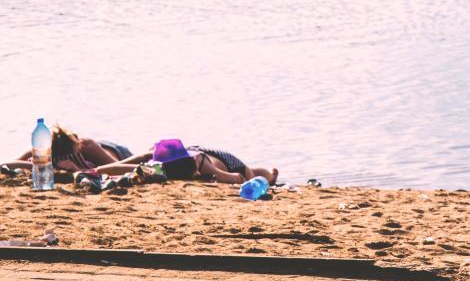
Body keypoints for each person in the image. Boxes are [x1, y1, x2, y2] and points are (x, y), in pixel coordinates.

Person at [92, 139, 278, 185]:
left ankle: (270, 174)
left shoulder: (201, 164)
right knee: (147, 152)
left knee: (252, 173)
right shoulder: (159, 166)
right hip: (178, 154)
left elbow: (237, 177)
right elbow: (103, 169)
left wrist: (212, 176)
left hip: (223, 160)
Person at [3, 124, 133, 173]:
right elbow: (6, 165)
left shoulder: (85, 146)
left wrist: (79, 170)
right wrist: (38, 166)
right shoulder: (40, 153)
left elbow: (118, 167)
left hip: (117, 153)